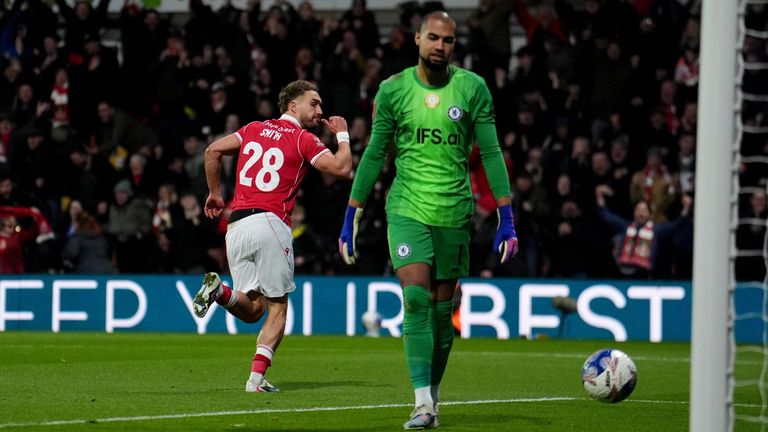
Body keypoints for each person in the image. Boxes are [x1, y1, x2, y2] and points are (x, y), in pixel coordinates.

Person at [337, 11, 518, 429]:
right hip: (406, 209)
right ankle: (421, 403)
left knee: (441, 312)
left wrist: (506, 216)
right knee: (416, 299)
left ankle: (432, 399)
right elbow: (375, 152)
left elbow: (491, 153)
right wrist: (352, 212)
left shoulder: (472, 89)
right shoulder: (393, 90)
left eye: (448, 40)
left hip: (453, 212)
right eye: (433, 37)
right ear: (417, 39)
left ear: (455, 45)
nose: (440, 45)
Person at [193, 80, 352, 393]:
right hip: (271, 222)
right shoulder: (302, 138)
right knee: (278, 308)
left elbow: (212, 151)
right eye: (314, 103)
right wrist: (343, 135)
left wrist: (215, 194)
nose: (320, 110)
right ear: (293, 105)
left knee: (253, 309)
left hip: (237, 225)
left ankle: (219, 291)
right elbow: (342, 168)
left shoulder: (253, 129)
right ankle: (256, 380)